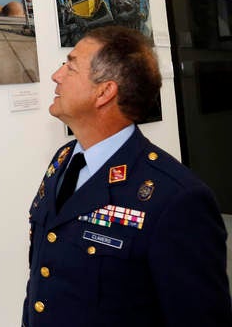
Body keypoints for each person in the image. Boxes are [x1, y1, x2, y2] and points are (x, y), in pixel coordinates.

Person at [24, 26, 232, 327]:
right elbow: (42, 285)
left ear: (105, 92)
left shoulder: (176, 198)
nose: (57, 76)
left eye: (70, 66)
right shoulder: (63, 162)